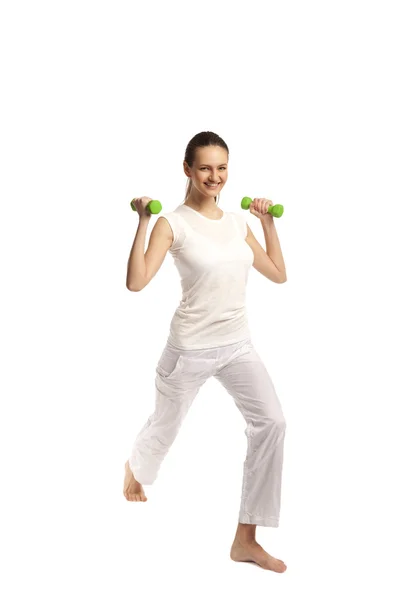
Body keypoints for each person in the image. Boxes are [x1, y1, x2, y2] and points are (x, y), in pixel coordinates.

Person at [123, 131, 288, 573]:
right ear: (187, 170)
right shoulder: (170, 223)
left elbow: (277, 273)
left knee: (271, 422)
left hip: (237, 344)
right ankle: (134, 465)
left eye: (222, 167)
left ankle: (246, 539)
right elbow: (136, 282)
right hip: (190, 349)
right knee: (165, 428)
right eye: (205, 168)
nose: (215, 176)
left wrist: (267, 222)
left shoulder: (237, 223)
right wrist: (141, 222)